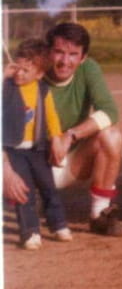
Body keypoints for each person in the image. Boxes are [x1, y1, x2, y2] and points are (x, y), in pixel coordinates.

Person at [3, 23, 122, 236]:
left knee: (111, 135)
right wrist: (5, 172)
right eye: (59, 52)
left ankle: (100, 215)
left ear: (83, 57)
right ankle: (29, 196)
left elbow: (109, 111)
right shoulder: (27, 73)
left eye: (73, 54)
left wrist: (70, 136)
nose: (64, 61)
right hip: (24, 164)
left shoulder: (88, 69)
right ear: (47, 52)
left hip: (65, 161)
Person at [3, 40, 71, 250]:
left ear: (40, 73)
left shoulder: (42, 89)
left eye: (26, 70)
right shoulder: (6, 87)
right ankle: (30, 231)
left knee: (48, 187)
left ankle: (58, 224)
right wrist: (2, 76)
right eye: (17, 67)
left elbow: (51, 116)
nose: (19, 73)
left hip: (37, 150)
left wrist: (57, 138)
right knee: (25, 192)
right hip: (14, 151)